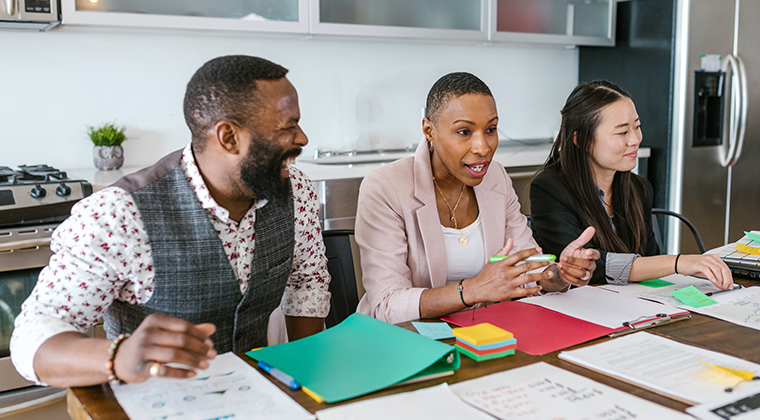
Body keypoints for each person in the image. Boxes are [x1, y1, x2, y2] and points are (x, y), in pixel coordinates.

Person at [10, 55, 331, 388]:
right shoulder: (119, 215)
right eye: (286, 127)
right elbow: (31, 340)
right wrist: (118, 357)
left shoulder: (296, 191)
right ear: (229, 137)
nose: (302, 138)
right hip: (150, 404)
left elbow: (307, 281)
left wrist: (305, 377)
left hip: (255, 395)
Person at [355, 72, 601, 325]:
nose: (482, 147)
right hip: (406, 339)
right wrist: (472, 290)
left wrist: (560, 274)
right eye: (464, 131)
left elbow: (527, 268)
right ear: (429, 130)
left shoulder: (496, 178)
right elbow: (387, 305)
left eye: (491, 129)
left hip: (482, 331)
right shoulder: (385, 187)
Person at [530, 80, 733, 288]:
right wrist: (680, 262)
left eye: (637, 126)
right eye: (622, 132)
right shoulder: (550, 189)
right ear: (581, 140)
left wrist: (695, 269)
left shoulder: (638, 188)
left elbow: (650, 262)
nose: (635, 139)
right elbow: (589, 269)